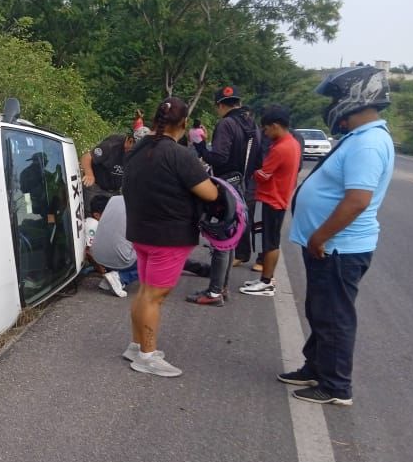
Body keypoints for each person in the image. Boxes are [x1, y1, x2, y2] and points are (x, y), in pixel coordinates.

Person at [280, 66, 395, 405]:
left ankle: (335, 385)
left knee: (335, 317)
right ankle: (315, 366)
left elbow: (357, 200)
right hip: (331, 247)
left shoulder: (369, 144)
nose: (331, 104)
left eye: (334, 97)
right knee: (321, 311)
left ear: (354, 97)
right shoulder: (358, 138)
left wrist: (320, 236)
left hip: (338, 248)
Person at [121, 97, 219, 377]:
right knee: (155, 296)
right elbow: (210, 193)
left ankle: (137, 346)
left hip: (140, 232)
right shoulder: (180, 155)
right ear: (185, 124)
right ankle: (148, 356)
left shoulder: (138, 149)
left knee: (144, 291)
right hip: (169, 237)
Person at [187, 85, 261, 306]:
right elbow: (259, 160)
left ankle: (214, 293)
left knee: (220, 239)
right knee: (229, 239)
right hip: (243, 187)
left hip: (226, 186)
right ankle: (222, 288)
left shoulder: (226, 123)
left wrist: (200, 146)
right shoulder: (251, 125)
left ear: (220, 105)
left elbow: (217, 158)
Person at [239, 106, 300, 297]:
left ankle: (266, 282)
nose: (264, 133)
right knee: (265, 239)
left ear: (275, 126)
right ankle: (265, 278)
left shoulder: (281, 148)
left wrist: (251, 172)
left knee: (269, 242)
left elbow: (264, 175)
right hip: (273, 198)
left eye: (266, 129)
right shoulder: (292, 142)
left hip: (271, 199)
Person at [80, 127, 147, 213]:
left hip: (115, 192)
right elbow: (86, 157)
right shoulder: (112, 145)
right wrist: (89, 174)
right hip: (96, 188)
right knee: (92, 215)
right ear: (130, 140)